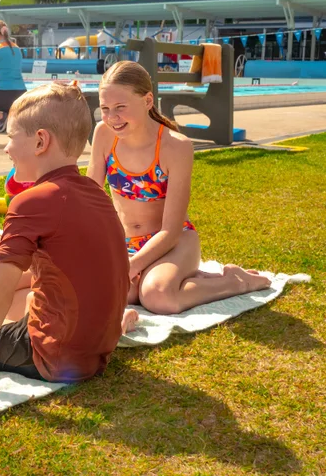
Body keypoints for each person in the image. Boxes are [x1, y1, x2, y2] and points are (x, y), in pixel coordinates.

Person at [0, 82, 135, 389]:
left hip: (54, 356)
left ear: (40, 141)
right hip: (97, 348)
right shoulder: (96, 194)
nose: (6, 148)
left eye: (11, 137)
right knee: (28, 298)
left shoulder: (31, 202)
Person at [87, 61, 271, 315]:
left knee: (157, 297)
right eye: (105, 109)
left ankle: (235, 281)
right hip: (126, 242)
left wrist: (133, 265)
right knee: (125, 293)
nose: (112, 118)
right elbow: (90, 201)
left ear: (147, 100)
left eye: (120, 107)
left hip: (173, 242)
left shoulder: (176, 146)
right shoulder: (104, 134)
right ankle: (186, 278)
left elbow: (171, 230)